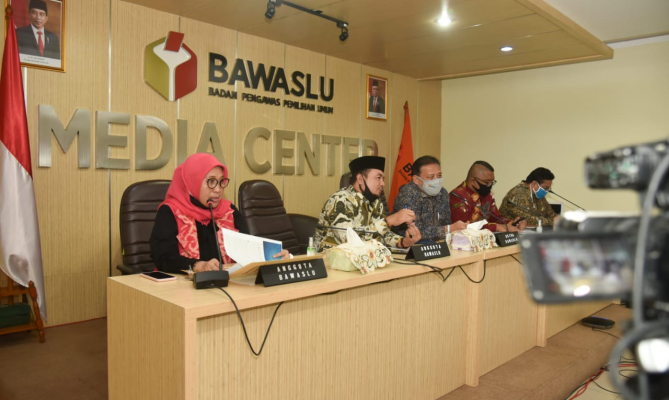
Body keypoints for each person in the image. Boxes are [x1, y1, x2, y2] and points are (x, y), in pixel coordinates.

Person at [150, 153, 289, 274]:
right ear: (192, 181)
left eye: (221, 181)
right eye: (211, 182)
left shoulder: (229, 211)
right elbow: (163, 258)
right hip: (181, 288)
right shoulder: (170, 211)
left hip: (229, 285)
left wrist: (272, 257)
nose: (218, 189)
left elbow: (248, 249)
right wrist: (198, 265)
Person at [314, 155, 421, 251]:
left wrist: (403, 242)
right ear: (360, 179)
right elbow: (350, 240)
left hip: (363, 259)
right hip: (330, 261)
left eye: (383, 179)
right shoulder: (340, 200)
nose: (383, 183)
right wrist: (389, 221)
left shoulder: (375, 202)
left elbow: (381, 236)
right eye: (378, 178)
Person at [392, 155, 467, 241]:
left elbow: (446, 222)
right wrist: (448, 229)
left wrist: (456, 228)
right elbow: (414, 232)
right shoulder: (407, 194)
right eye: (431, 177)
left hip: (437, 242)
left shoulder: (443, 193)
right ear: (416, 179)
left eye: (439, 175)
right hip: (408, 244)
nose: (436, 180)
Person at [450, 161, 526, 232]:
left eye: (492, 182)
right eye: (487, 182)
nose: (490, 186)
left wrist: (512, 223)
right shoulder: (457, 197)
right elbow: (463, 227)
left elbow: (496, 217)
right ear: (473, 181)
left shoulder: (487, 194)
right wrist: (495, 227)